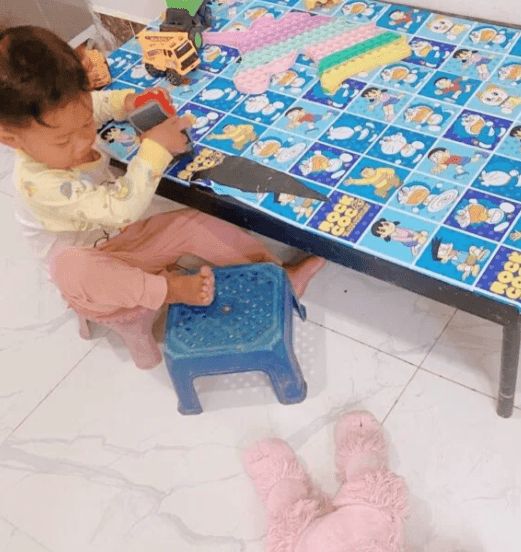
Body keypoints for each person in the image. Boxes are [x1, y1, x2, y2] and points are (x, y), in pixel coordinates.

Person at [0, 27, 324, 358]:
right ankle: (168, 290)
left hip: (120, 238)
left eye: (84, 124)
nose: (83, 138)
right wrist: (154, 149)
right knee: (72, 267)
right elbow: (120, 210)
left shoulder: (65, 115)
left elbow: (98, 104)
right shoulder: (37, 184)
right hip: (96, 275)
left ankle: (281, 276)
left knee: (194, 221)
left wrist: (130, 102)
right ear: (10, 139)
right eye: (63, 141)